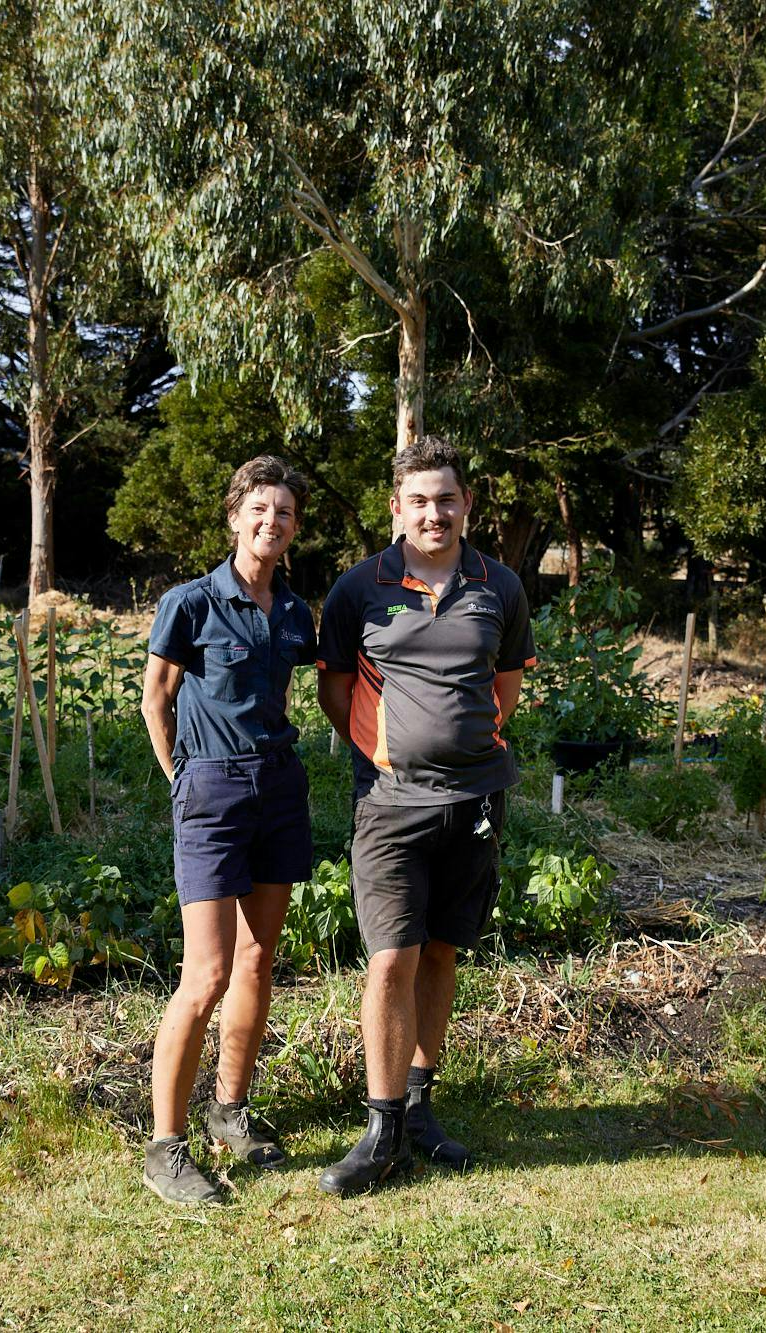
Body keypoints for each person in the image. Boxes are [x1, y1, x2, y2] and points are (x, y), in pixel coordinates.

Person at [314, 436, 535, 1196]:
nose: (434, 513)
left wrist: (461, 752)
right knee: (390, 960)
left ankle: (420, 1109)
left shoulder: (499, 585)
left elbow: (503, 688)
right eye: (419, 501)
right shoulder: (358, 588)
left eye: (447, 499)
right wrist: (386, 751)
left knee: (442, 952)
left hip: (475, 800)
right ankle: (380, 1132)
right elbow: (336, 693)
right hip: (390, 805)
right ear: (395, 508)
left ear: (467, 504)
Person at [138, 455, 318, 1205]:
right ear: (235, 515)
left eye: (283, 513)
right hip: (210, 786)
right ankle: (165, 1148)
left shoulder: (294, 612)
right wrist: (182, 777)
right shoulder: (191, 602)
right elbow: (156, 698)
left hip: (278, 786)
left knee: (257, 958)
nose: (269, 522)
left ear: (293, 528)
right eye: (258, 509)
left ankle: (231, 1111)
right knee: (205, 973)